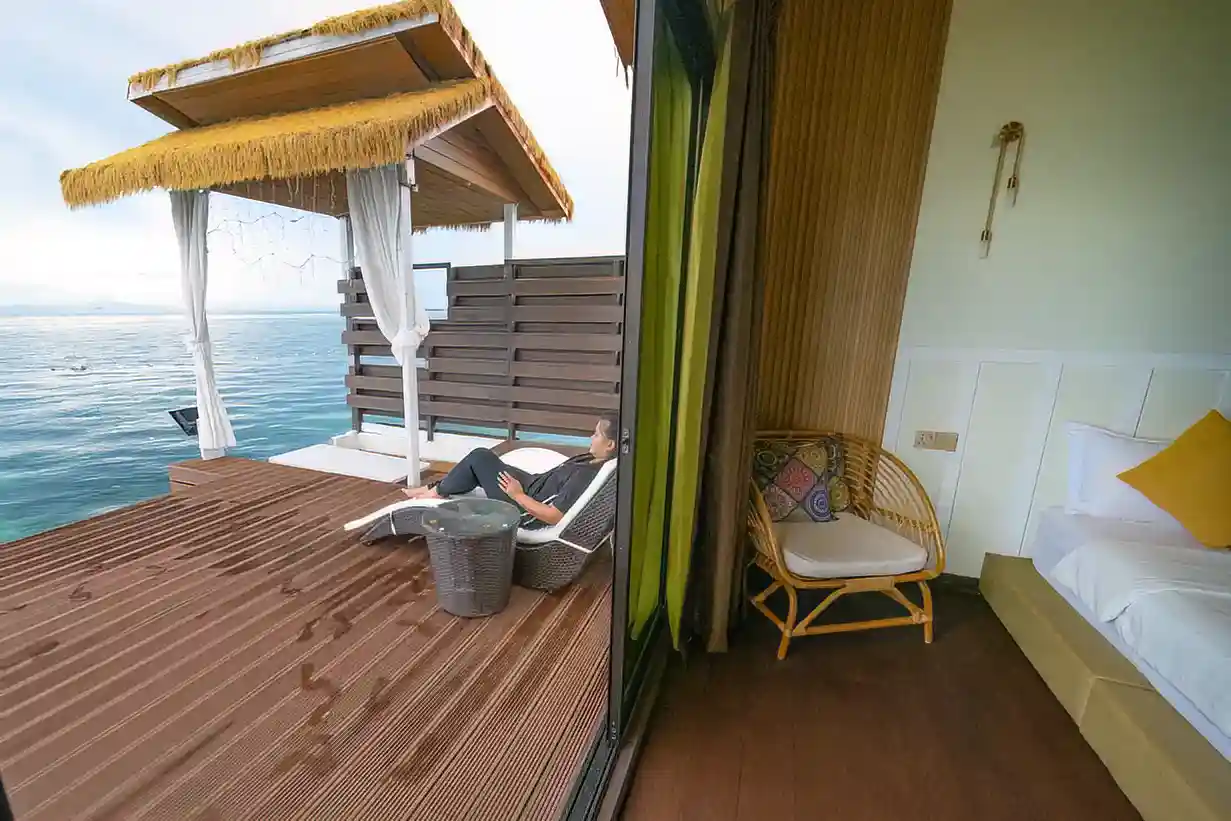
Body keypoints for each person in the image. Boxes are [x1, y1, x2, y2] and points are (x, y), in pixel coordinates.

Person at [403, 414, 619, 528]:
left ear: (610, 445)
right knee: (483, 462)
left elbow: (554, 516)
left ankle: (434, 493)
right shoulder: (594, 459)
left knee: (480, 458)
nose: (592, 437)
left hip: (524, 509)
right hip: (533, 486)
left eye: (597, 434)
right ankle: (434, 488)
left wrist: (518, 495)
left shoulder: (586, 475)